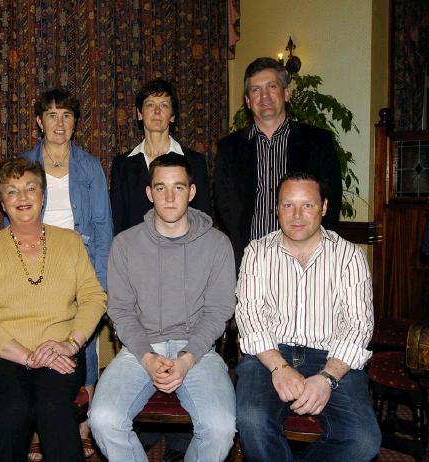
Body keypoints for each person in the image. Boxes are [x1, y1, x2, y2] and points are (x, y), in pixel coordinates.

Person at [89, 153, 237, 462]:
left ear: (192, 192)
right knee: (103, 419)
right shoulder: (125, 244)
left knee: (220, 428)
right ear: (149, 193)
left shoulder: (217, 244)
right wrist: (146, 356)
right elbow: (121, 311)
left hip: (197, 349)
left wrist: (186, 359)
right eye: (160, 188)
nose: (169, 197)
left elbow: (218, 311)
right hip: (140, 347)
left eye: (178, 188)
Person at [0, 157, 106, 462]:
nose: (23, 197)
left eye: (30, 188)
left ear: (43, 196)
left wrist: (70, 344)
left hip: (60, 354)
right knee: (13, 408)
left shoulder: (70, 242)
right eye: (12, 191)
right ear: (2, 203)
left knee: (52, 406)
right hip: (1, 355)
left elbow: (94, 297)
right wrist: (27, 356)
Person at [235, 171, 381, 461]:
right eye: (288, 205)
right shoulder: (257, 252)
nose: (297, 215)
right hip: (270, 353)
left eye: (308, 205)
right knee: (252, 419)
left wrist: (327, 377)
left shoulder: (349, 256)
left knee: (364, 441)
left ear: (324, 207)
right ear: (277, 208)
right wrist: (279, 367)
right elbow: (250, 316)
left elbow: (358, 325)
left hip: (333, 356)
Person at [21, 88, 113, 459]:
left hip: (82, 266)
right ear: (39, 121)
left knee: (84, 343)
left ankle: (83, 421)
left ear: (75, 123)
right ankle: (37, 425)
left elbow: (104, 230)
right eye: (52, 115)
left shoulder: (90, 167)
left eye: (67, 115)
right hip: (34, 264)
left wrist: (101, 285)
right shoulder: (24, 165)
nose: (59, 123)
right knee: (35, 337)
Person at [214, 57, 342, 269]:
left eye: (271, 86)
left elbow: (331, 201)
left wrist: (313, 251)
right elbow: (223, 205)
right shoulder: (229, 148)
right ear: (247, 100)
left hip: (305, 261)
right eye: (255, 90)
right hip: (248, 261)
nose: (264, 95)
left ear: (286, 93)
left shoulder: (318, 142)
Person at [110, 79, 212, 235]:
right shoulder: (122, 165)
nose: (157, 111)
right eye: (150, 104)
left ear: (172, 116)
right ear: (139, 113)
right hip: (136, 253)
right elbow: (118, 222)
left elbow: (203, 218)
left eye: (164, 105)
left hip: (184, 252)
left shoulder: (194, 162)